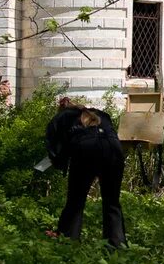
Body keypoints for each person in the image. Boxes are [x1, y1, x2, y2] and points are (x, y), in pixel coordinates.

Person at [46, 97, 127, 247]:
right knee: (112, 202)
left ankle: (67, 240)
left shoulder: (61, 118)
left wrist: (59, 163)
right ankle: (117, 245)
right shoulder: (101, 114)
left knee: (75, 201)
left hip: (85, 150)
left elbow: (53, 147)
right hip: (113, 151)